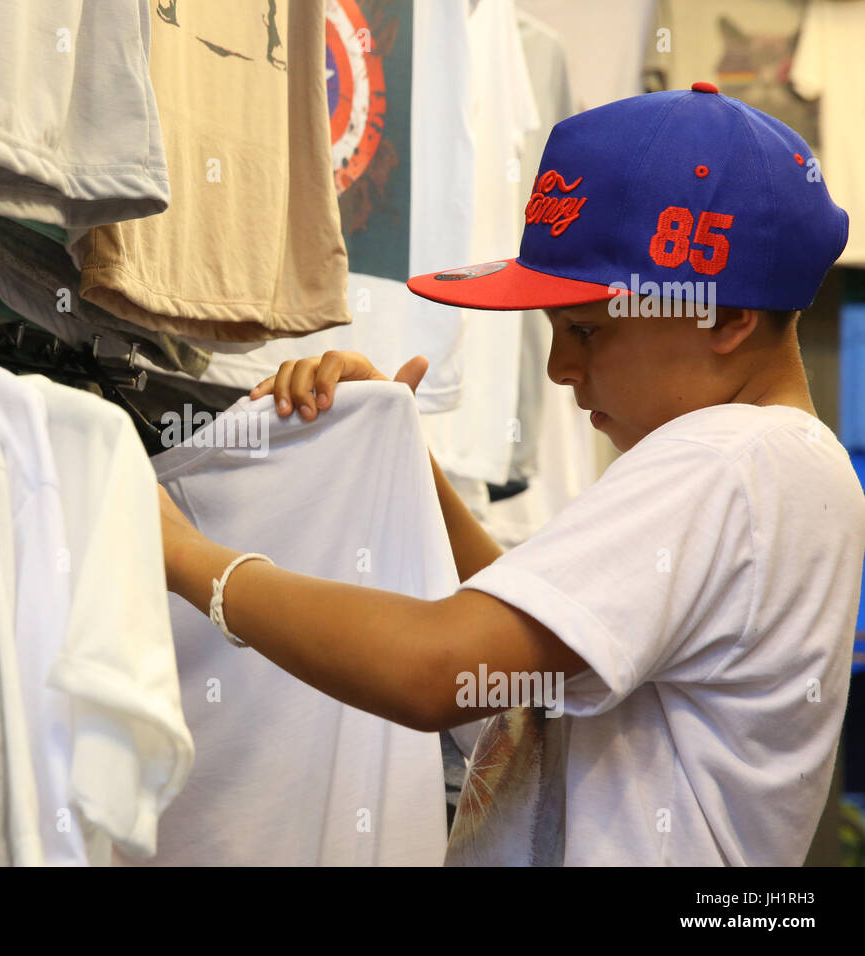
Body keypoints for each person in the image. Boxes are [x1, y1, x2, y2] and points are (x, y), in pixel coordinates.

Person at [155, 83, 865, 865]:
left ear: (725, 315)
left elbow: (436, 672)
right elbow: (531, 661)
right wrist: (402, 459)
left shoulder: (729, 460)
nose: (560, 369)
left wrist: (190, 560)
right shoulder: (786, 466)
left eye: (587, 330)